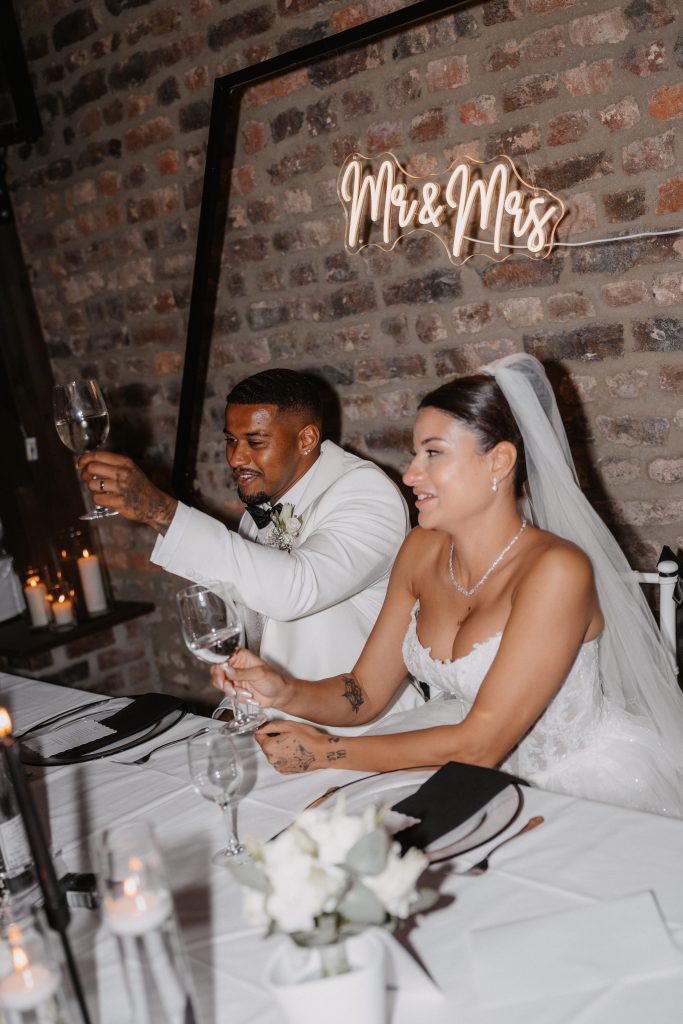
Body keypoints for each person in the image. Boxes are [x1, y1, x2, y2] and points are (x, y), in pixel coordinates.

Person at [217, 354, 683, 817]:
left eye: (433, 453)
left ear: (499, 461)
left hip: (566, 791)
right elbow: (364, 693)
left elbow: (481, 745)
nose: (410, 474)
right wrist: (283, 691)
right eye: (415, 453)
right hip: (458, 772)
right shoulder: (421, 550)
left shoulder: (557, 570)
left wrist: (326, 751)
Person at [78, 369, 423, 730]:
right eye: (231, 440)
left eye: (255, 442)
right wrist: (234, 709)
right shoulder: (260, 513)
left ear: (306, 439)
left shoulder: (366, 492)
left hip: (367, 731)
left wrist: (162, 513)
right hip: (277, 729)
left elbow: (296, 590)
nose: (236, 458)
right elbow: (257, 642)